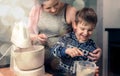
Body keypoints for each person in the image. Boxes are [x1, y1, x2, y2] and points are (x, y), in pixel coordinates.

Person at [28, 0, 101, 73]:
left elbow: (81, 33)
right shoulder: (36, 10)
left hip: (60, 63)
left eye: (56, 4)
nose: (53, 10)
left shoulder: (70, 11)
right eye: (48, 8)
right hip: (43, 59)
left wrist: (92, 67)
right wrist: (36, 37)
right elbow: (29, 34)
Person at [51, 7, 100, 76]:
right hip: (61, 73)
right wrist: (66, 50)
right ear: (75, 25)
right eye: (82, 29)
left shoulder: (92, 47)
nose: (85, 33)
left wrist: (92, 71)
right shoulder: (67, 38)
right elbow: (53, 51)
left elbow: (90, 66)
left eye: (90, 30)